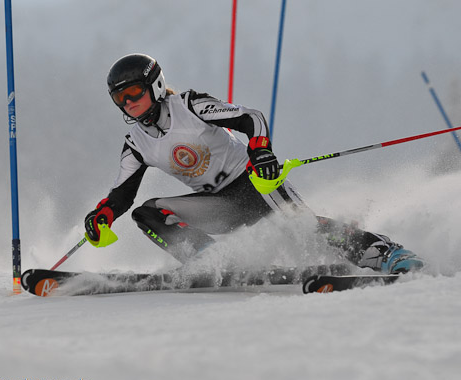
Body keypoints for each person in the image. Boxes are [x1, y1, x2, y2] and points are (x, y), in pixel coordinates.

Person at [84, 53, 422, 274]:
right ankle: (213, 263)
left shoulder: (189, 106)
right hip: (218, 206)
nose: (129, 103)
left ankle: (387, 252)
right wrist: (102, 216)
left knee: (303, 230)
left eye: (134, 93)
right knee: (147, 212)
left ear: (155, 86)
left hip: (256, 183)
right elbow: (121, 195)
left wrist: (261, 152)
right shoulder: (136, 143)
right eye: (120, 98)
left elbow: (250, 118)